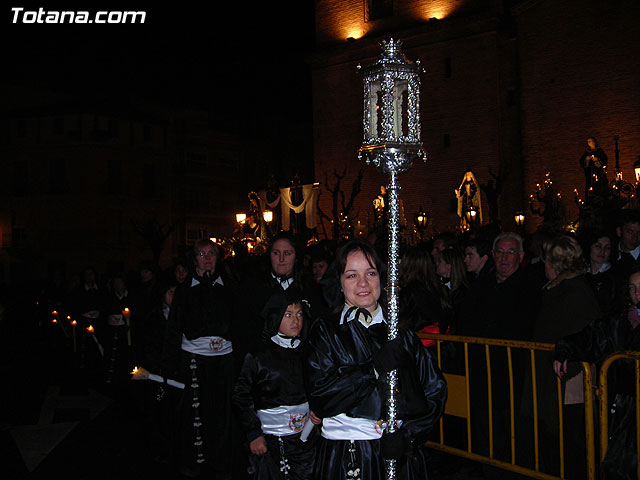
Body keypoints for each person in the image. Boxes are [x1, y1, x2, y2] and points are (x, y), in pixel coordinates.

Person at [303, 239, 447, 479]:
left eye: (370, 273)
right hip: (347, 456)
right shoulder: (326, 331)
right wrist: (374, 370)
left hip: (397, 457)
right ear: (339, 282)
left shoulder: (401, 334)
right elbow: (321, 396)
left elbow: (434, 390)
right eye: (351, 275)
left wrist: (407, 437)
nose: (363, 283)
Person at [523, 235, 601, 477]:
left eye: (546, 260)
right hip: (553, 382)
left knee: (571, 444)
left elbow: (583, 337)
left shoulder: (574, 292)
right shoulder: (558, 290)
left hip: (568, 386)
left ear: (555, 264)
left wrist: (567, 366)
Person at [553, 265, 640, 480]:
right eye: (633, 287)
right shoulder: (619, 322)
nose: (638, 293)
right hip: (625, 408)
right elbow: (591, 337)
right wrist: (564, 349)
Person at [162, 239, 239, 479]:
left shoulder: (229, 287)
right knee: (194, 413)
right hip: (194, 360)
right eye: (202, 253)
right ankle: (193, 462)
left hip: (224, 361)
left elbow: (239, 325)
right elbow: (174, 329)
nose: (207, 258)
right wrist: (169, 367)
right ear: (194, 258)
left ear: (218, 258)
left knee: (223, 414)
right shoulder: (184, 291)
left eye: (212, 253)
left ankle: (222, 461)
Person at [233, 289, 321, 479]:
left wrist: (318, 409)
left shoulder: (310, 353)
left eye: (299, 314)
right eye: (288, 315)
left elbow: (318, 387)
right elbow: (241, 395)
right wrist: (253, 433)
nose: (295, 320)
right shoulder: (258, 356)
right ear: (275, 317)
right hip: (271, 441)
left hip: (306, 441)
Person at [398, 243, 454, 349]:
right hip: (439, 347)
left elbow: (405, 319)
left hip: (422, 346)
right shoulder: (438, 287)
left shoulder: (411, 291)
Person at [581, 230, 616, 315]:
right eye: (598, 246)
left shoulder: (614, 276)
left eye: (607, 248)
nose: (602, 251)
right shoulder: (581, 274)